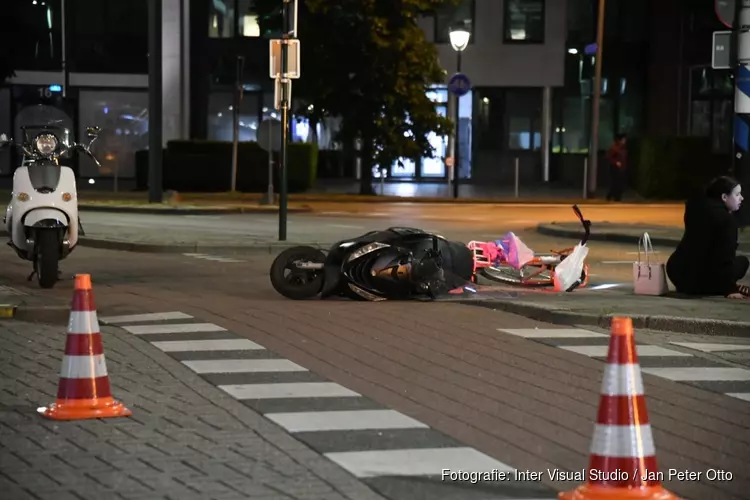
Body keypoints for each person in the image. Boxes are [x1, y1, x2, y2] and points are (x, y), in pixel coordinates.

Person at [666, 176, 749, 299]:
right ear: (724, 197)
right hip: (702, 282)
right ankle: (720, 287)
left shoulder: (695, 210)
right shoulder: (727, 221)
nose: (741, 198)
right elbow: (725, 258)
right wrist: (730, 289)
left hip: (678, 274)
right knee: (743, 262)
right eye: (737, 195)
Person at [605, 134, 627, 201]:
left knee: (618, 183)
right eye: (623, 140)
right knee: (616, 183)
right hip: (615, 168)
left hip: (621, 168)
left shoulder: (623, 148)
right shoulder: (615, 148)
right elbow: (608, 157)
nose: (625, 141)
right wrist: (616, 162)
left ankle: (612, 196)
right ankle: (616, 197)